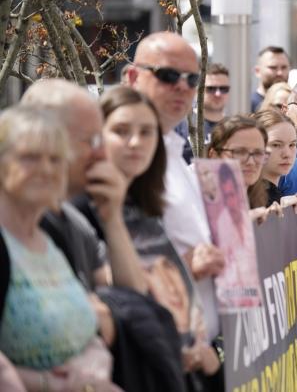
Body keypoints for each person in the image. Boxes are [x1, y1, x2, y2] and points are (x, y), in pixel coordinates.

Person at [95, 86, 221, 383]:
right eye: (121, 131)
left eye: (147, 132)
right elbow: (125, 300)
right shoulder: (83, 210)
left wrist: (207, 360)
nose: (135, 142)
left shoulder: (148, 206)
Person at [0, 106, 119, 392]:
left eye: (55, 159)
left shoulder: (51, 241)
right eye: (30, 157)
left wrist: (96, 363)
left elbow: (86, 332)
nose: (46, 169)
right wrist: (51, 384)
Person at [127, 31, 225, 342]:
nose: (182, 87)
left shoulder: (177, 158)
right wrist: (185, 267)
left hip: (197, 349)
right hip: (155, 348)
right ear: (133, 77)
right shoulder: (125, 161)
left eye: (192, 79)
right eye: (168, 75)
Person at [21, 79, 146, 295]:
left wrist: (113, 220)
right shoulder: (12, 224)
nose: (102, 154)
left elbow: (136, 296)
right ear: (42, 138)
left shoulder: (74, 223)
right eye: (91, 141)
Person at [252, 109, 297, 211]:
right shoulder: (244, 200)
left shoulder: (279, 197)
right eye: (276, 145)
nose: (287, 154)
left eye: (292, 145)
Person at [251, 46, 291, 112]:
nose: (280, 73)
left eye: (284, 67)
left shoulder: (296, 105)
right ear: (257, 71)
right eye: (273, 67)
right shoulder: (247, 106)